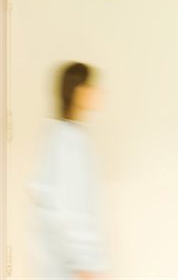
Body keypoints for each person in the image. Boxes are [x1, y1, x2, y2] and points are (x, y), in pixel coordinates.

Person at [29, 62, 106, 280]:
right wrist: (86, 263)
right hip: (70, 264)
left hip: (61, 261)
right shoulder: (69, 140)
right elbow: (70, 207)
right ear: (78, 91)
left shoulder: (57, 134)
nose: (98, 92)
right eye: (92, 86)